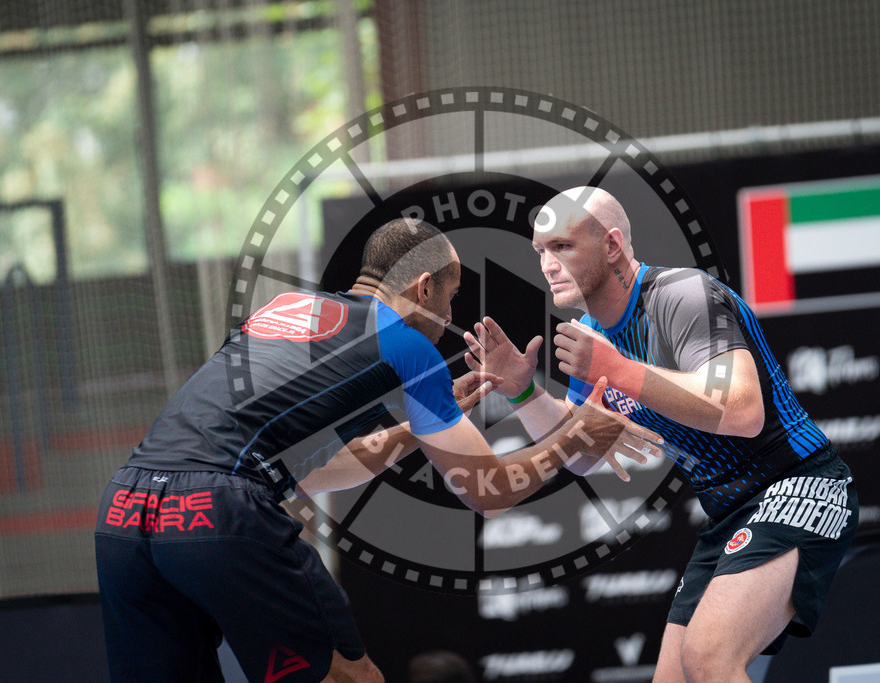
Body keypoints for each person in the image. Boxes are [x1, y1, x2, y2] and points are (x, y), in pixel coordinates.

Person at [94, 217, 660, 683]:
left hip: (123, 509)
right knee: (352, 678)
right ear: (423, 289)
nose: (449, 319)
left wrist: (415, 431)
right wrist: (576, 434)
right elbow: (489, 492)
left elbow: (307, 472)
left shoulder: (283, 309)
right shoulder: (407, 344)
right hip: (218, 510)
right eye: (451, 298)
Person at [462, 187, 858, 682]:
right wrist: (524, 393)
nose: (547, 264)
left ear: (611, 245)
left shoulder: (681, 295)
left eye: (562, 246)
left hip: (799, 485)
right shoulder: (592, 332)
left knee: (709, 658)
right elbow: (582, 453)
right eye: (540, 250)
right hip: (730, 512)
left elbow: (743, 411)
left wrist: (619, 369)